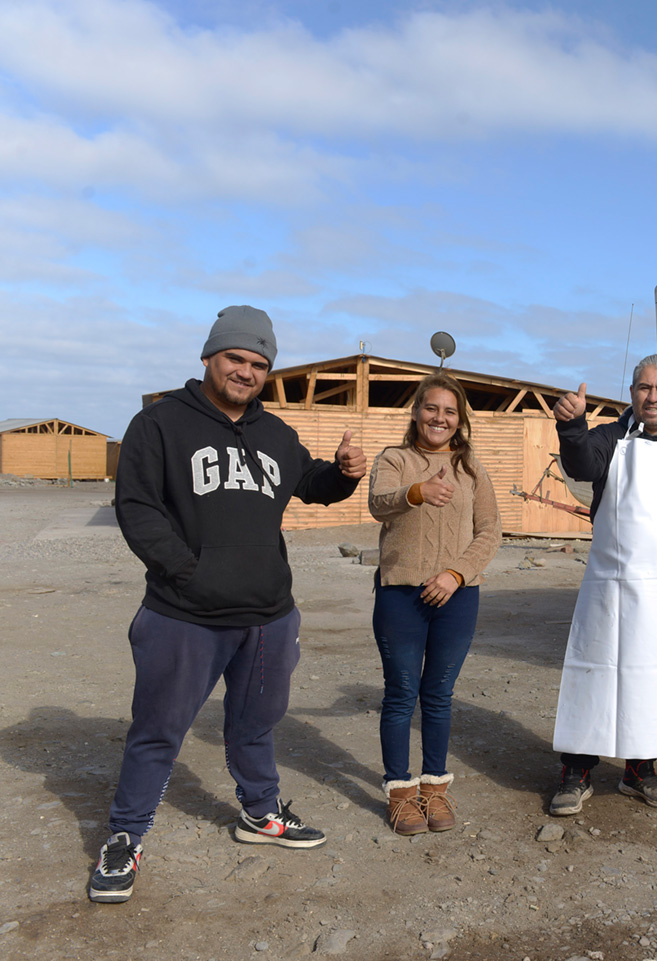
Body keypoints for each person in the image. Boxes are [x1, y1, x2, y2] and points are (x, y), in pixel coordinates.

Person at [89, 306, 367, 903]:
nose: (245, 372)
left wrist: (343, 474)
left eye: (258, 364)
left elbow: (311, 485)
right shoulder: (160, 424)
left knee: (256, 724)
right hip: (183, 615)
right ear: (208, 357)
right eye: (234, 358)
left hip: (268, 616)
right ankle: (126, 835)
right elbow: (137, 508)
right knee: (158, 730)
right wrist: (188, 572)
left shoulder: (276, 433)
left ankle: (260, 813)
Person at [546, 354, 657, 815]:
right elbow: (582, 465)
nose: (653, 397)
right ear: (632, 393)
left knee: (653, 682)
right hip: (611, 591)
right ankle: (577, 770)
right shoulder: (609, 439)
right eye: (645, 388)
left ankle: (639, 770)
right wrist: (573, 427)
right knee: (596, 677)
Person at [368, 373, 501, 835]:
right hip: (400, 595)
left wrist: (455, 574)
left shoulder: (471, 468)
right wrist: (417, 492)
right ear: (416, 411)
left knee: (439, 695)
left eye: (449, 411)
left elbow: (490, 531)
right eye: (431, 408)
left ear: (459, 419)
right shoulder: (394, 458)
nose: (439, 418)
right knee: (401, 694)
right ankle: (400, 794)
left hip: (457, 596)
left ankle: (435, 789)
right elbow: (378, 504)